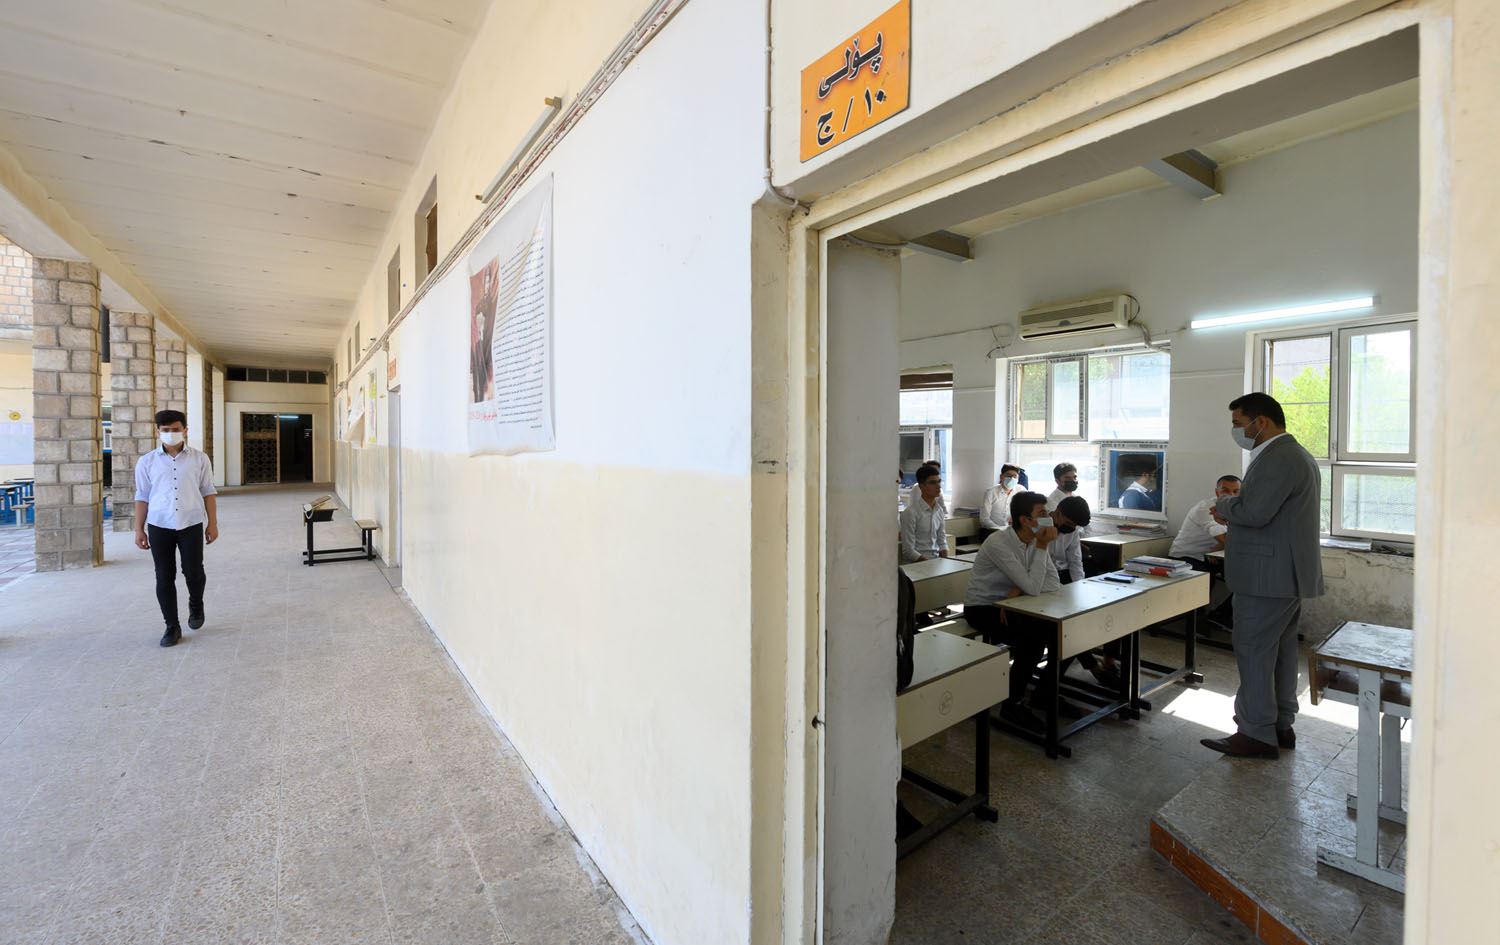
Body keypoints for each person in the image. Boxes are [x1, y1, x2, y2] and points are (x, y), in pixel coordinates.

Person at [1200, 393, 1324, 759]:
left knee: (1254, 652)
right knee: (1281, 653)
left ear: (1261, 422)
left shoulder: (1278, 457)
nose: (1236, 431)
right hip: (1282, 574)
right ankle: (1280, 724)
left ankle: (1255, 733)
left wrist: (1223, 506)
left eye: (1239, 424)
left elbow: (1254, 512)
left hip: (1265, 576)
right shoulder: (1295, 455)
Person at [962, 491, 1069, 731]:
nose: (1049, 517)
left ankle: (1044, 693)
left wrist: (1018, 590)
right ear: (1025, 520)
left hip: (1015, 604)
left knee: (1065, 633)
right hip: (983, 607)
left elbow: (1053, 584)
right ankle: (1012, 704)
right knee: (1032, 642)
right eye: (1042, 513)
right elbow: (1034, 587)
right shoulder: (999, 543)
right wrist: (1041, 549)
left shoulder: (1034, 541)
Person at [134, 409, 219, 647]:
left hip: (191, 522)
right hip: (159, 524)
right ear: (157, 431)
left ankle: (196, 605)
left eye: (175, 429)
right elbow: (142, 496)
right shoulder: (147, 461)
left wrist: (212, 523)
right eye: (165, 430)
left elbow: (208, 491)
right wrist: (139, 529)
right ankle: (172, 626)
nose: (170, 434)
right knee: (164, 576)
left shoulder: (199, 459)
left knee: (194, 572)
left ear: (185, 430)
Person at [1171, 475, 1240, 562]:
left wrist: (1221, 546)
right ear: (1217, 492)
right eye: (1225, 491)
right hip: (1185, 558)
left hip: (1210, 557)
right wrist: (1222, 544)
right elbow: (1227, 540)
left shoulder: (1238, 510)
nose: (1231, 495)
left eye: (1236, 491)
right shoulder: (1206, 508)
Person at [899, 465, 948, 562]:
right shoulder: (910, 513)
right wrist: (929, 563)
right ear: (921, 486)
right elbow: (908, 551)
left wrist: (946, 562)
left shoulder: (939, 511)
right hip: (918, 564)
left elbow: (942, 542)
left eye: (939, 481)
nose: (938, 486)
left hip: (935, 561)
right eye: (932, 483)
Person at [978, 464, 1024, 531]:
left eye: (1015, 476)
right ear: (1001, 477)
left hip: (1013, 531)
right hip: (993, 531)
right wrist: (1000, 530)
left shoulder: (1021, 491)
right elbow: (984, 519)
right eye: (1008, 475)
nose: (1012, 478)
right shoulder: (991, 492)